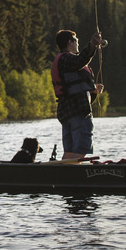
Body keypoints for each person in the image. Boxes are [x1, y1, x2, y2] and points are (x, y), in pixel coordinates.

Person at [51, 29, 109, 160]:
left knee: (70, 152)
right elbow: (80, 60)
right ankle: (71, 178)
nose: (77, 43)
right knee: (81, 149)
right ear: (70, 42)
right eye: (76, 41)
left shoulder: (63, 61)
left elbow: (73, 86)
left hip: (67, 112)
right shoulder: (66, 59)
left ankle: (63, 177)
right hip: (77, 111)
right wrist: (92, 45)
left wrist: (92, 90)